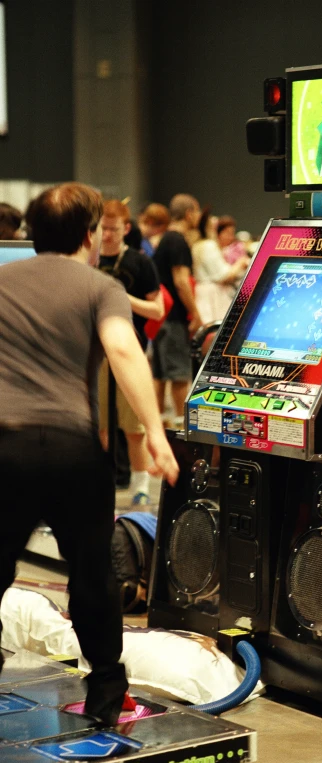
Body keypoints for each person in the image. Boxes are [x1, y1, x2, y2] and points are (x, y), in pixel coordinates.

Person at [0, 182, 179, 726]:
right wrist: (155, 430)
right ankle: (104, 692)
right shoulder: (100, 287)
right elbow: (124, 349)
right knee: (91, 573)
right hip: (75, 453)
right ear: (88, 236)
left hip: (5, 447)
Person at [98, 199, 164, 505]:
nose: (107, 234)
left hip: (131, 350)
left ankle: (140, 483)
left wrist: (122, 298)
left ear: (125, 228)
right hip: (95, 353)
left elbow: (157, 309)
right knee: (99, 426)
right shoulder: (89, 261)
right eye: (102, 228)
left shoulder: (140, 263)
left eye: (113, 229)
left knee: (133, 425)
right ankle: (101, 481)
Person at [152, 193, 202, 421]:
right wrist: (196, 313)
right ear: (190, 213)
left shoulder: (165, 239)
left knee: (161, 376)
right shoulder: (178, 240)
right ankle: (186, 431)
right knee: (180, 376)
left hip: (163, 318)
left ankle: (159, 428)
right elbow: (181, 281)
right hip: (173, 319)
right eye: (197, 212)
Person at [192, 208, 249, 323]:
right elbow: (223, 275)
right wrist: (241, 262)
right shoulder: (208, 245)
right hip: (211, 298)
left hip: (206, 295)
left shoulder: (199, 244)